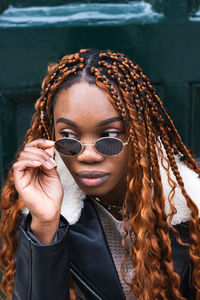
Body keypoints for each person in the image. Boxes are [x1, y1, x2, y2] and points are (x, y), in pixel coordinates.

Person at [0, 48, 200, 300]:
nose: (87, 155)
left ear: (137, 135)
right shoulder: (51, 212)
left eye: (109, 136)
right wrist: (45, 226)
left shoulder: (192, 207)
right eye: (69, 138)